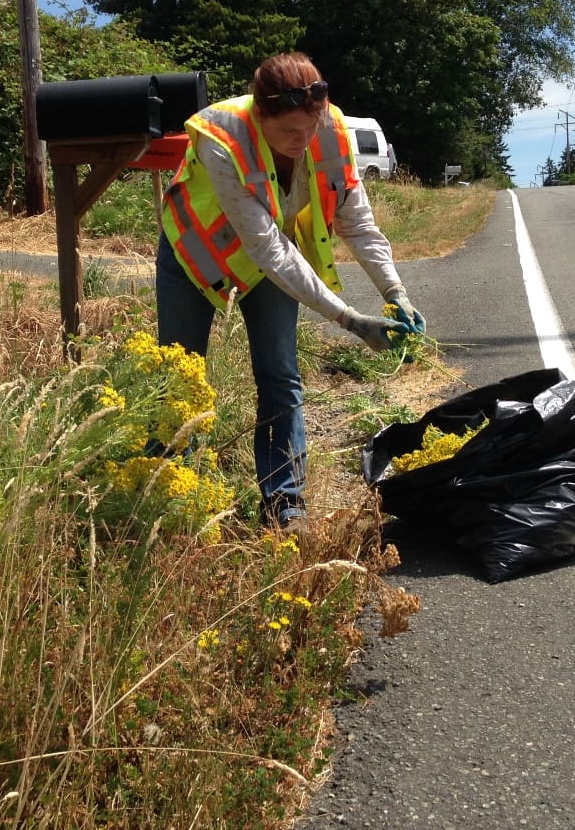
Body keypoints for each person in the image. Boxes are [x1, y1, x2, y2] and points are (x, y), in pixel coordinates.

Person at [156, 52, 425, 529]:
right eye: (287, 133)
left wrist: (395, 291)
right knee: (180, 371)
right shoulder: (223, 138)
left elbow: (356, 222)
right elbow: (268, 248)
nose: (301, 142)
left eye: (309, 129)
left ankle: (285, 503)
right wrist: (350, 320)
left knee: (280, 375)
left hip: (270, 257)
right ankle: (173, 495)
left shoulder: (332, 132)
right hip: (196, 248)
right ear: (261, 116)